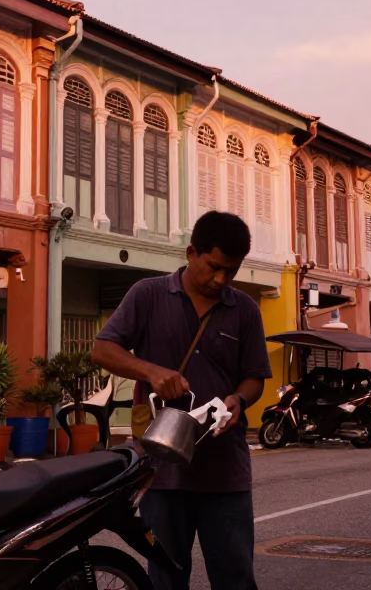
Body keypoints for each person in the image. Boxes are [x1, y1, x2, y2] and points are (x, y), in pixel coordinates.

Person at [92, 210, 270, 590]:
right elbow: (103, 350)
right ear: (191, 252)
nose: (221, 279)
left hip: (225, 473)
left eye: (231, 271)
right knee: (166, 578)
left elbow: (254, 377)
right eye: (214, 267)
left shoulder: (245, 310)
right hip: (162, 472)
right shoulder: (148, 295)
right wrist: (151, 371)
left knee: (236, 578)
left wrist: (239, 399)